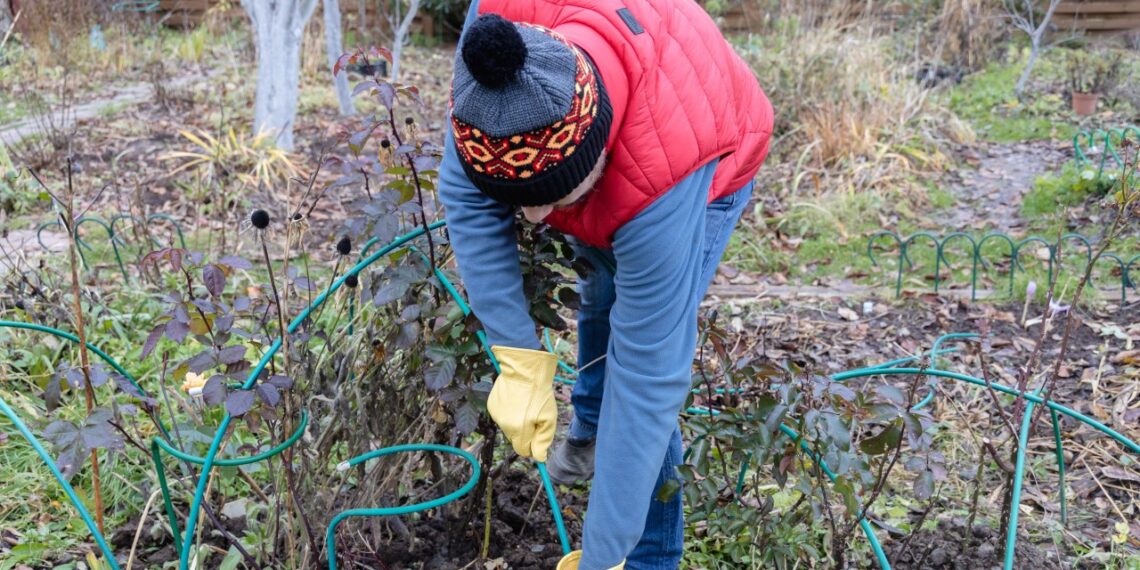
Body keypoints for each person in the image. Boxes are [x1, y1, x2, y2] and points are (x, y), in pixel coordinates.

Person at [438, 1, 773, 568]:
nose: (536, 219)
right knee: (599, 286)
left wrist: (603, 554)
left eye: (553, 197)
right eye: (517, 200)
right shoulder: (490, 77)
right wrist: (517, 355)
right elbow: (468, 201)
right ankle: (590, 431)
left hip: (709, 150)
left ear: (599, 154)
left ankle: (647, 557)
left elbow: (648, 379)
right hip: (625, 139)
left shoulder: (662, 181)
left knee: (632, 358)